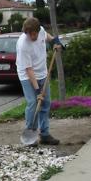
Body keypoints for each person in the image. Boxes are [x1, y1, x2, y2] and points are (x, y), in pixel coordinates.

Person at [16, 17, 63, 145]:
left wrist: (54, 41)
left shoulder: (41, 30)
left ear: (37, 30)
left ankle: (45, 134)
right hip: (27, 75)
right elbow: (29, 70)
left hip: (42, 73)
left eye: (33, 33)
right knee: (33, 102)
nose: (32, 36)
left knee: (46, 103)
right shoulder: (23, 44)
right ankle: (30, 131)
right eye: (29, 34)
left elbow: (46, 36)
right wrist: (37, 90)